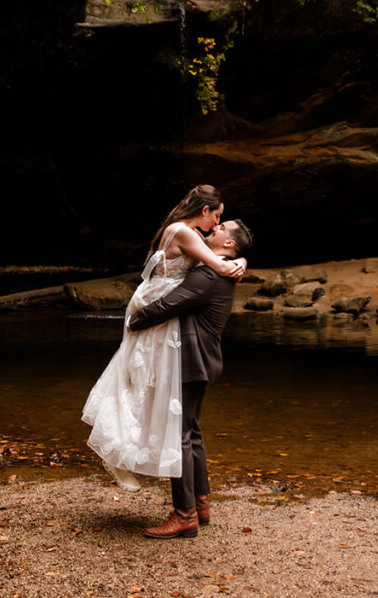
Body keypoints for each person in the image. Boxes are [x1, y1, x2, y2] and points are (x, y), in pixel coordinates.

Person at [81, 185, 245, 493]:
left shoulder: (183, 230)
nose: (217, 223)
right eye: (218, 216)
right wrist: (239, 262)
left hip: (159, 304)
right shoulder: (185, 232)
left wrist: (240, 258)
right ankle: (122, 450)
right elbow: (219, 264)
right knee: (141, 382)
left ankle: (129, 451)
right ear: (205, 211)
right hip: (157, 306)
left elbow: (215, 260)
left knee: (143, 383)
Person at [129, 218, 252, 539]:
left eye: (222, 228)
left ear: (229, 245)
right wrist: (242, 260)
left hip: (191, 363)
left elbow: (170, 304)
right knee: (191, 433)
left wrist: (134, 319)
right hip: (205, 361)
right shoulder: (222, 268)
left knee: (179, 436)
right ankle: (200, 504)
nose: (214, 229)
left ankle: (184, 515)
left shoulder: (209, 273)